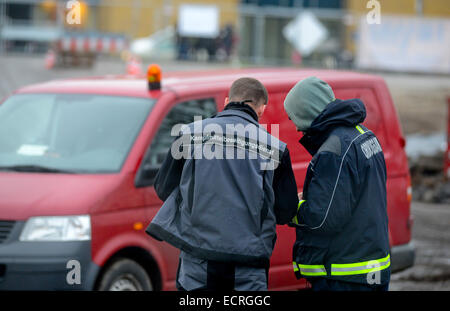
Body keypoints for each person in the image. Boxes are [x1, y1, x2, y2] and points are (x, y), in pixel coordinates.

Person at [146, 77, 298, 291]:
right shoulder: (276, 148)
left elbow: (163, 188)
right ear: (261, 109)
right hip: (248, 266)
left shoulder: (189, 134)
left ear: (227, 101)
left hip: (197, 260)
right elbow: (285, 211)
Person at [284, 76, 390, 291]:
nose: (296, 128)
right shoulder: (364, 135)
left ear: (308, 111)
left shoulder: (333, 151)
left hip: (345, 276)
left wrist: (292, 207)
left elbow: (323, 218)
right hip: (370, 267)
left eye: (294, 117)